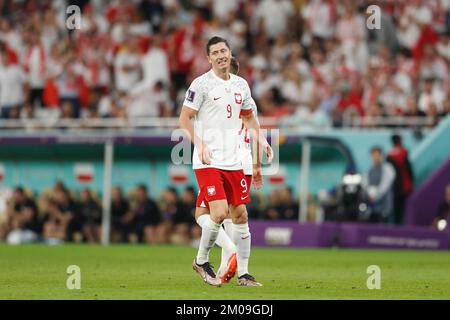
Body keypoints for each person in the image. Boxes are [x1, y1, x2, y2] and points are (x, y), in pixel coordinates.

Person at [179, 37, 273, 286]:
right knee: (219, 213)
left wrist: (262, 142)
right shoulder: (201, 84)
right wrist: (199, 144)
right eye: (215, 52)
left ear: (230, 54)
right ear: (208, 58)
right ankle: (202, 260)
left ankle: (243, 274)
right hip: (208, 159)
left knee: (240, 214)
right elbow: (184, 119)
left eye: (224, 50)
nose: (220, 55)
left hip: (233, 161)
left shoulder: (241, 85)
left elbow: (250, 120)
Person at [193, 55, 262, 284]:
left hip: (224, 161)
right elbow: (255, 131)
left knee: (206, 214)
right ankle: (233, 269)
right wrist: (257, 165)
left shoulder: (226, 97)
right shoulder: (242, 97)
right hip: (239, 163)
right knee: (237, 217)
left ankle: (226, 261)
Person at [362, 147, 396, 223]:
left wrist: (376, 195)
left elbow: (386, 185)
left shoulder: (388, 169)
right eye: (374, 155)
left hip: (383, 207)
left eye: (377, 155)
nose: (376, 158)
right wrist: (370, 194)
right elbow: (365, 185)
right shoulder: (369, 171)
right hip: (372, 207)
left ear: (381, 156)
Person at [386, 134, 414, 224]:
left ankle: (397, 228)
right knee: (404, 209)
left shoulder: (389, 155)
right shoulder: (404, 153)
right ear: (399, 140)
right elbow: (409, 171)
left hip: (395, 187)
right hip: (405, 186)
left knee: (397, 210)